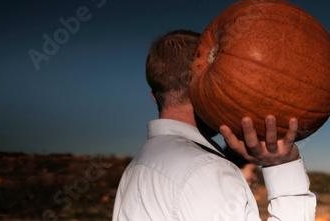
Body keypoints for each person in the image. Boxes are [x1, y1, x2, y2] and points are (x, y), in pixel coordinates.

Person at [112, 29, 316, 221]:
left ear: (154, 99)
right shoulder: (205, 169)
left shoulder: (134, 169)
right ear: (209, 85)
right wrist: (283, 164)